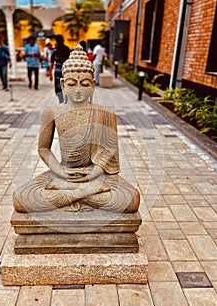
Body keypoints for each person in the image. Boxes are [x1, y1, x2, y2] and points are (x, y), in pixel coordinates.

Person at [13, 44, 140, 213]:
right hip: (63, 173)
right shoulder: (51, 112)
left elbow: (109, 153)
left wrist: (93, 174)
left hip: (95, 175)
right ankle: (85, 195)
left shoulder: (106, 113)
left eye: (85, 84)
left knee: (131, 199)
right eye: (72, 84)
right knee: (20, 199)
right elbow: (43, 148)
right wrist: (60, 172)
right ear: (63, 85)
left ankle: (75, 195)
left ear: (93, 85)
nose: (79, 90)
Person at [49, 34, 71, 103]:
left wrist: (50, 74)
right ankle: (66, 102)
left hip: (58, 72)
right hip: (66, 72)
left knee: (58, 89)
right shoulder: (67, 49)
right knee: (66, 87)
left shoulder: (55, 50)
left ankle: (61, 102)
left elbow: (52, 63)